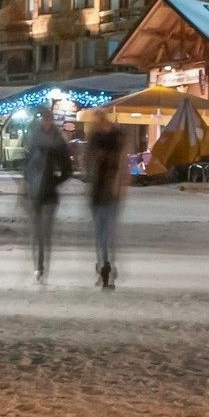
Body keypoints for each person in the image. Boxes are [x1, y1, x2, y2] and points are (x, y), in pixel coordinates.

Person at [21, 108, 73, 284]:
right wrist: (28, 182)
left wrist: (53, 181)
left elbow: (67, 170)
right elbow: (26, 168)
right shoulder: (32, 140)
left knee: (45, 234)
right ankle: (38, 266)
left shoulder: (58, 142)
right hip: (34, 193)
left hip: (49, 194)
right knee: (37, 233)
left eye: (48, 118)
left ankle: (42, 268)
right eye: (43, 118)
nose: (45, 122)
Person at [83, 117, 129, 289]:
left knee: (106, 233)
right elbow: (88, 165)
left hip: (110, 193)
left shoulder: (116, 140)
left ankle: (106, 266)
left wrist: (120, 186)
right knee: (102, 233)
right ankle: (105, 265)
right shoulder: (97, 140)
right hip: (99, 193)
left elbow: (122, 167)